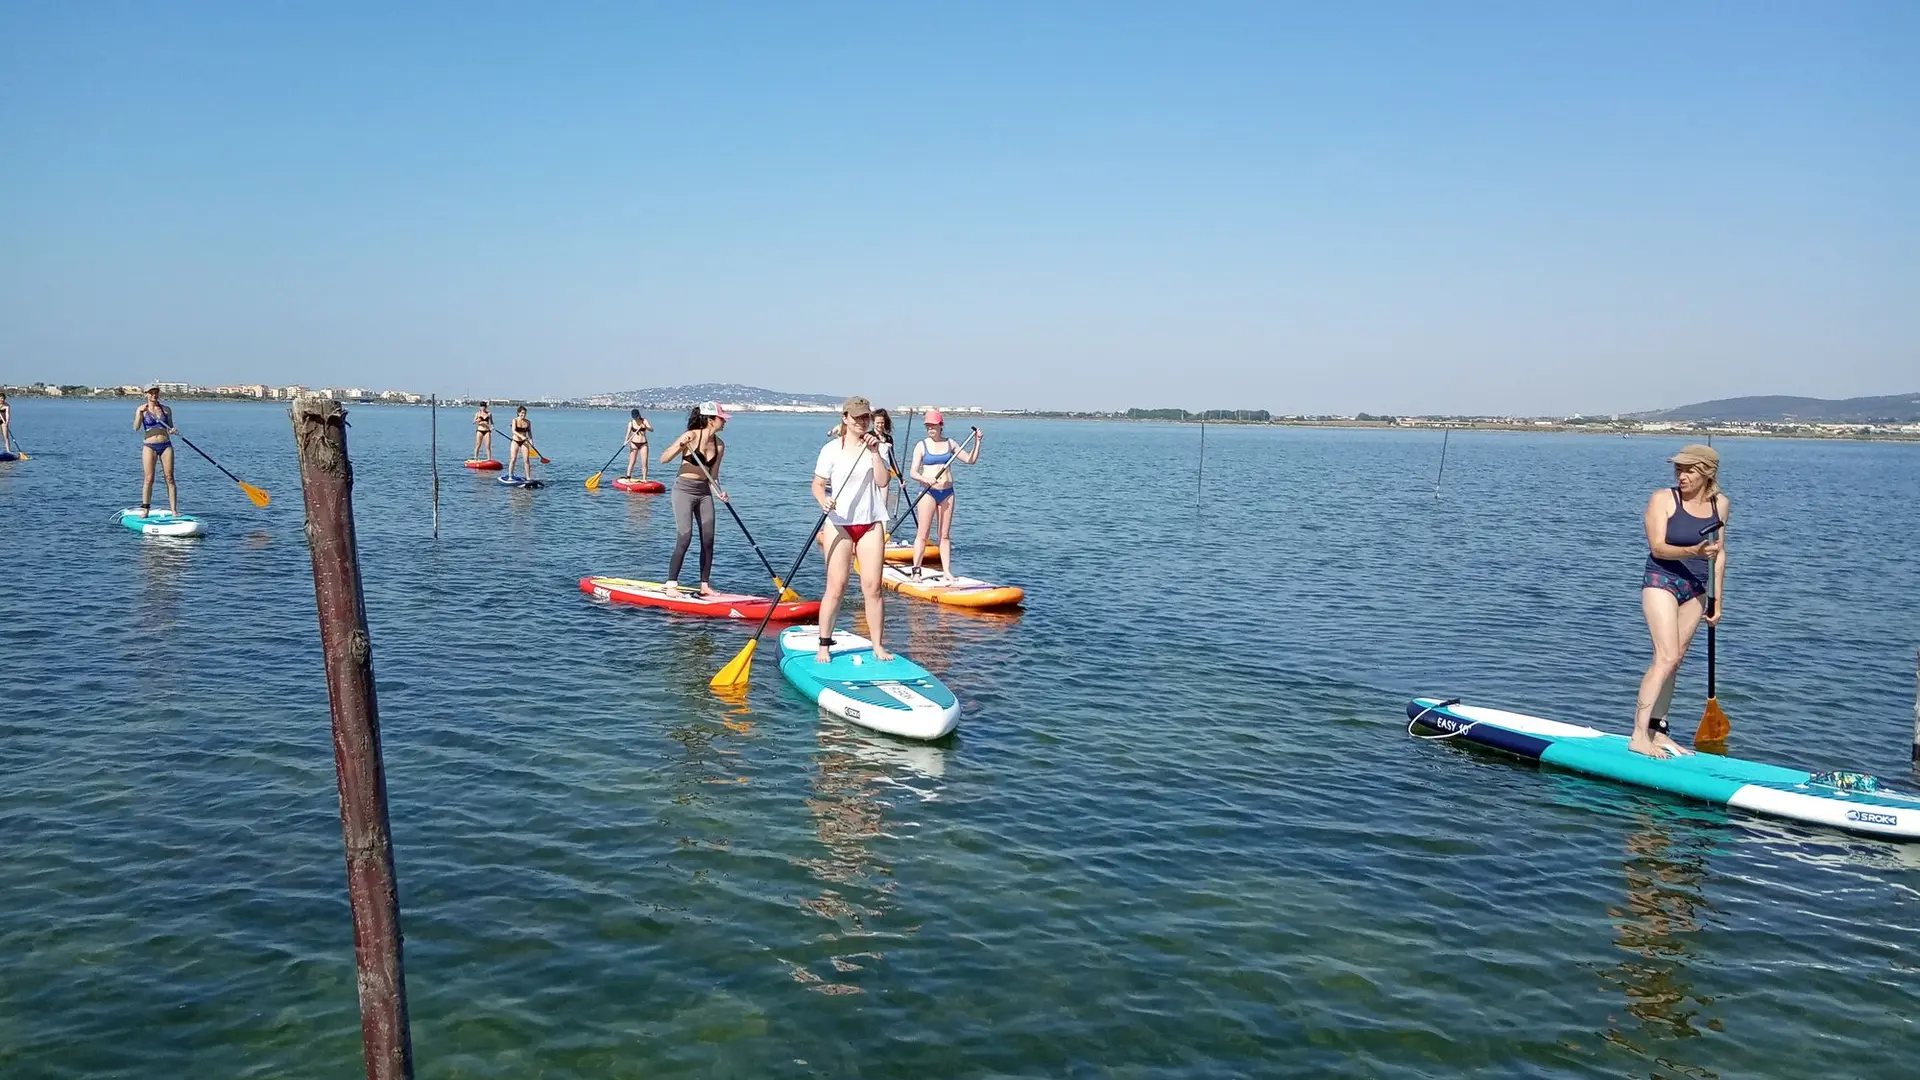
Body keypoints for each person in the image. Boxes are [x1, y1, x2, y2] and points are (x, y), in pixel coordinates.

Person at [1632, 444, 1730, 759]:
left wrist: (1718, 599)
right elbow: (1658, 548)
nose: (1681, 475)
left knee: (1676, 661)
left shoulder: (1721, 505)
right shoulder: (1663, 499)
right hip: (1662, 581)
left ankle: (1657, 732)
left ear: (1708, 473)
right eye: (1678, 469)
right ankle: (1638, 735)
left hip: (1697, 588)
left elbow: (1720, 553)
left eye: (1689, 470)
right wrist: (1694, 552)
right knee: (1665, 656)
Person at [812, 396, 893, 663]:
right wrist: (823, 499)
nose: (862, 422)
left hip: (870, 524)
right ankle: (824, 644)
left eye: (866, 417)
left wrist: (874, 452)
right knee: (837, 586)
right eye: (857, 417)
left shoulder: (877, 448)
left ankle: (878, 645)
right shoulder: (831, 450)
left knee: (873, 587)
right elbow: (818, 484)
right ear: (845, 418)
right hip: (839, 523)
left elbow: (882, 481)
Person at [658, 401, 730, 594]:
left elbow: (713, 476)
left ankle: (704, 585)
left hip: (704, 493)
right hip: (683, 490)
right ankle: (671, 583)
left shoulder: (720, 445)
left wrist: (720, 492)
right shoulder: (690, 436)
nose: (725, 422)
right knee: (685, 536)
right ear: (710, 420)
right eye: (721, 418)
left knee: (708, 538)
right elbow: (663, 458)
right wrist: (679, 446)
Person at [907, 410, 982, 577]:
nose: (930, 429)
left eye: (933, 426)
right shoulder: (922, 445)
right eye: (927, 426)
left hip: (947, 492)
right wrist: (926, 479)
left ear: (941, 426)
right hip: (928, 492)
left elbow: (970, 460)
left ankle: (947, 571)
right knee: (923, 533)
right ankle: (916, 570)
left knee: (945, 534)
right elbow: (913, 472)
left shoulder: (951, 444)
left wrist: (977, 442)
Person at [133, 386, 179, 516]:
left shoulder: (166, 409)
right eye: (151, 393)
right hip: (149, 446)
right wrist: (139, 414)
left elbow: (170, 426)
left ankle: (174, 510)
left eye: (156, 393)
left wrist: (172, 430)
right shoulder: (142, 410)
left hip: (166, 445)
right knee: (149, 478)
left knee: (169, 477)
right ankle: (145, 509)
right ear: (146, 394)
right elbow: (136, 427)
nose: (154, 395)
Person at [622, 408, 654, 480]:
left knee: (644, 463)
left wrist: (645, 427)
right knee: (632, 461)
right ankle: (628, 477)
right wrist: (625, 441)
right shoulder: (631, 423)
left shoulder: (644, 421)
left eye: (636, 417)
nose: (636, 418)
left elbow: (651, 429)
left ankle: (644, 479)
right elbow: (628, 434)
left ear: (639, 415)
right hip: (634, 444)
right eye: (634, 417)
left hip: (643, 444)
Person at [508, 406, 535, 480]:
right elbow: (513, 431)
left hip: (524, 442)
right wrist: (521, 436)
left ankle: (528, 477)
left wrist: (531, 442)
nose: (523, 415)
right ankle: (510, 476)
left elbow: (529, 433)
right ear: (518, 413)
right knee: (513, 459)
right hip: (515, 441)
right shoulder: (515, 420)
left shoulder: (528, 422)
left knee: (526, 460)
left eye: (525, 413)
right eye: (522, 413)